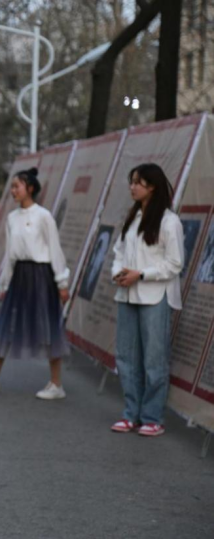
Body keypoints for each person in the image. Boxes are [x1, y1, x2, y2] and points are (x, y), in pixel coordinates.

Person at [0, 168, 71, 400]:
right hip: (19, 276)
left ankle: (56, 384)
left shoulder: (44, 216)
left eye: (17, 186)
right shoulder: (11, 218)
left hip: (42, 275)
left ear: (30, 188)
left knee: (48, 327)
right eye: (12, 187)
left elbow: (55, 250)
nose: (13, 191)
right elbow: (10, 255)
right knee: (7, 324)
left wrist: (61, 282)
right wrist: (4, 284)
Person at [110, 164, 184, 438]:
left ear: (152, 186)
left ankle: (152, 417)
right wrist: (118, 273)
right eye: (131, 182)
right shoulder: (132, 218)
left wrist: (140, 274)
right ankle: (130, 414)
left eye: (137, 182)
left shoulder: (169, 221)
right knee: (126, 357)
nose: (132, 187)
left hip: (155, 297)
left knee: (154, 359)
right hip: (127, 294)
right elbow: (119, 252)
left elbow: (174, 263)